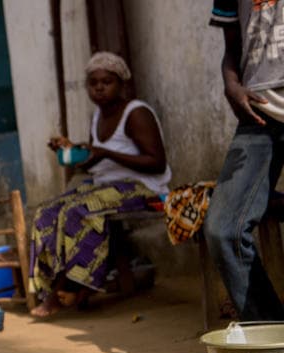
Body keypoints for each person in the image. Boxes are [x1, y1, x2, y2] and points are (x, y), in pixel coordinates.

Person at [29, 52, 171, 318]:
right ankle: (50, 287)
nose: (100, 88)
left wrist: (106, 153)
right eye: (93, 83)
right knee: (47, 212)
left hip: (143, 186)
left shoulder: (136, 113)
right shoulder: (98, 116)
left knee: (80, 210)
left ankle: (77, 284)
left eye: (107, 81)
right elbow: (97, 162)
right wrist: (73, 151)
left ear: (121, 84)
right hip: (106, 184)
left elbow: (157, 163)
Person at [205, 1, 284, 321]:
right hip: (258, 113)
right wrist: (231, 85)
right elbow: (231, 49)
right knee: (223, 230)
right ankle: (272, 336)